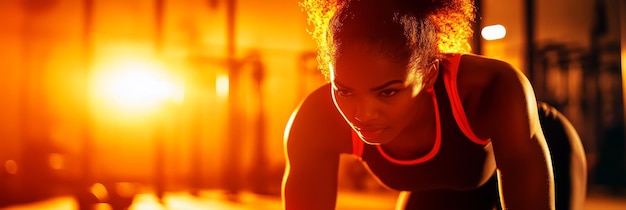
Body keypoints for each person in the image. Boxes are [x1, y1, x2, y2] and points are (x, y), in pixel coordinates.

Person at [281, 0, 587, 209]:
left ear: (428, 75)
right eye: (344, 91)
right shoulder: (317, 120)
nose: (362, 114)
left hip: (544, 149)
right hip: (446, 186)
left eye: (387, 92)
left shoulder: (491, 90)